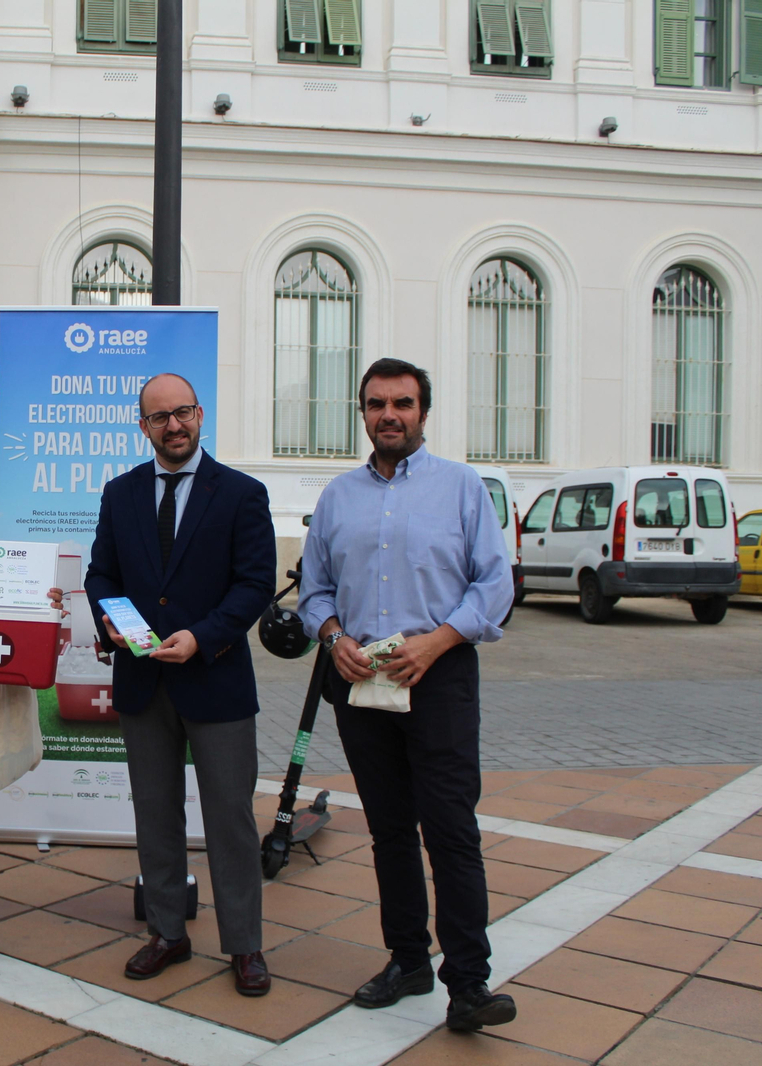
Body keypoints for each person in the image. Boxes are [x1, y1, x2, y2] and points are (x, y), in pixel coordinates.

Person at [297, 357, 516, 1032]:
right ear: (361, 412)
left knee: (450, 829)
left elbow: (495, 585)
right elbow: (315, 591)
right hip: (362, 680)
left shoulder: (462, 488)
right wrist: (332, 637)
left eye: (403, 403)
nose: (389, 414)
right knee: (390, 828)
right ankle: (408, 960)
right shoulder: (337, 497)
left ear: (424, 411)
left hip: (438, 674)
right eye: (376, 404)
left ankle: (470, 985)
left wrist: (440, 639)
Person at [84, 373, 276, 996]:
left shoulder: (243, 494)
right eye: (160, 417)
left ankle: (244, 945)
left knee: (230, 819)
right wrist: (110, 622)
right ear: (143, 426)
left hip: (215, 678)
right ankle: (167, 932)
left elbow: (253, 585)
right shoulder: (121, 494)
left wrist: (202, 636)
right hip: (142, 680)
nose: (174, 425)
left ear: (200, 416)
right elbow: (101, 574)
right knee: (155, 814)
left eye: (184, 413)